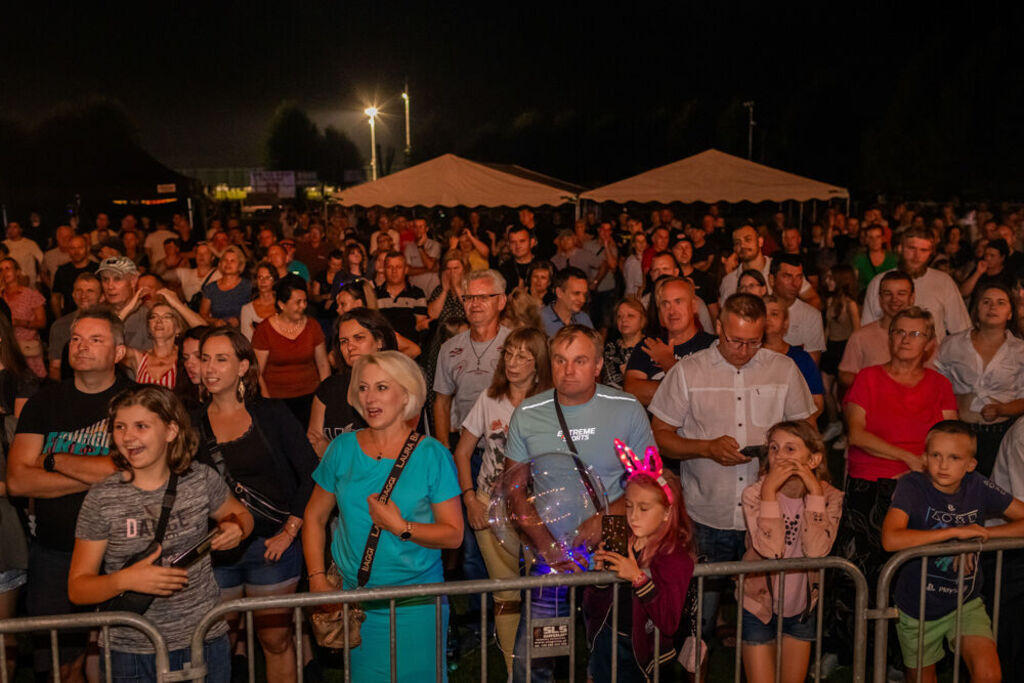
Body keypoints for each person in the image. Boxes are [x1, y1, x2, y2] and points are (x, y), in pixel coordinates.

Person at [648, 293, 815, 639]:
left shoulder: (783, 369)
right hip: (707, 515)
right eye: (735, 340)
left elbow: (807, 432)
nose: (743, 350)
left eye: (753, 342)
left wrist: (780, 455)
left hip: (769, 514)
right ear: (719, 327)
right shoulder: (688, 371)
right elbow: (660, 435)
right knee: (697, 623)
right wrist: (705, 448)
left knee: (764, 618)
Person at [67, 386, 254, 683]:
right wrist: (126, 580)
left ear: (170, 431)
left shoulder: (200, 479)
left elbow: (242, 515)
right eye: (120, 427)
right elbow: (78, 588)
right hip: (130, 648)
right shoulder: (102, 498)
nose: (128, 437)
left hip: (203, 638)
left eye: (141, 426)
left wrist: (237, 529)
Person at [505, 324, 655, 683]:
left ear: (599, 365)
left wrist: (604, 519)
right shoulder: (528, 411)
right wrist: (546, 546)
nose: (568, 370)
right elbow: (513, 490)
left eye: (579, 360)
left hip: (616, 550)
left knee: (613, 653)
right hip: (551, 557)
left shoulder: (626, 408)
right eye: (560, 360)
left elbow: (649, 480)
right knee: (538, 656)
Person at [303, 351, 463, 683]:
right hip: (358, 602)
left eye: (381, 387)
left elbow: (453, 535)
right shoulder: (341, 449)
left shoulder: (433, 454)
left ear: (406, 394)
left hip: (416, 602)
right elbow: (314, 517)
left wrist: (400, 527)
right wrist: (317, 578)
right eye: (363, 388)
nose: (370, 398)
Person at [6, 307, 135, 681]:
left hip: (123, 552)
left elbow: (138, 471)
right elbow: (17, 481)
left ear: (119, 352)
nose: (81, 346)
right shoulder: (43, 403)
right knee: (63, 665)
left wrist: (53, 460)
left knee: (122, 661)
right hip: (56, 551)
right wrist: (105, 474)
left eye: (96, 339)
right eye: (76, 339)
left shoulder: (139, 401)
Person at [194, 328, 318, 683]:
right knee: (217, 641)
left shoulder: (272, 414)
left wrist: (290, 531)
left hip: (272, 548)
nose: (210, 368)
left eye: (221, 359)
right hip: (216, 551)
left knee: (275, 641)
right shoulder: (191, 422)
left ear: (243, 366)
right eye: (205, 359)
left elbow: (311, 472)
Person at [881, 420, 1024, 683]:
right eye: (936, 455)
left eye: (954, 457)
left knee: (989, 674)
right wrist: (955, 534)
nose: (943, 465)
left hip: (965, 602)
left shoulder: (978, 485)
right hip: (917, 608)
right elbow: (890, 539)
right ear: (924, 458)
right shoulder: (913, 485)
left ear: (970, 464)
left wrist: (982, 535)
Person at [453, 327, 551, 673]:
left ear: (538, 364)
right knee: (505, 594)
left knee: (545, 593)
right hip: (490, 509)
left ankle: (540, 667)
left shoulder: (550, 405)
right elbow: (462, 452)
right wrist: (470, 501)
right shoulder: (489, 399)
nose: (513, 362)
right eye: (509, 353)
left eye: (524, 356)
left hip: (539, 509)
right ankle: (514, 671)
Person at [842, 306, 958, 591]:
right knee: (862, 576)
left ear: (929, 344)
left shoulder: (940, 385)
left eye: (916, 334)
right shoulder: (867, 378)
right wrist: (907, 458)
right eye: (900, 332)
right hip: (871, 486)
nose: (906, 339)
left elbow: (950, 439)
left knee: (917, 578)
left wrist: (921, 471)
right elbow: (857, 434)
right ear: (890, 338)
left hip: (924, 486)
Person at [740, 421, 843, 683]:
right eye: (774, 448)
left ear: (813, 458)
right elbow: (771, 551)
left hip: (801, 610)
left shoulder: (831, 497)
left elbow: (818, 551)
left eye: (790, 449)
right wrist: (770, 492)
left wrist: (815, 494)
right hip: (758, 605)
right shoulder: (754, 494)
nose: (780, 456)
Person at [586, 454, 695, 683]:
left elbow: (668, 621)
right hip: (606, 643)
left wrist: (637, 577)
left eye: (644, 508)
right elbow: (591, 609)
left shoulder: (674, 557)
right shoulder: (624, 543)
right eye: (628, 506)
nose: (633, 516)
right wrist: (601, 578)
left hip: (641, 654)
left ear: (667, 512)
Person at [934, 283, 1024, 476]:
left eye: (1001, 303)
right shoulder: (952, 344)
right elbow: (935, 385)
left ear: (1010, 313)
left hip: (1001, 435)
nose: (993, 307)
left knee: (995, 494)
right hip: (958, 431)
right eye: (986, 302)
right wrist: (956, 401)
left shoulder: (1020, 351)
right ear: (976, 310)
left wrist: (1002, 409)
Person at [433, 269, 509, 448]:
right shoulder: (449, 348)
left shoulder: (515, 345)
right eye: (469, 297)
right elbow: (441, 402)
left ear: (501, 301)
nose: (475, 304)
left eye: (483, 297)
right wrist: (444, 450)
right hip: (464, 450)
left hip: (509, 448)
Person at [307, 308, 398, 456]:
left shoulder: (396, 386)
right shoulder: (329, 387)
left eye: (358, 338)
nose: (350, 347)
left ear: (379, 341)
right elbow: (313, 442)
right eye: (344, 341)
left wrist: (332, 450)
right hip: (335, 477)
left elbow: (391, 450)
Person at [861, 226, 971, 342]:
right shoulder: (879, 282)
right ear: (900, 248)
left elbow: (961, 331)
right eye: (911, 248)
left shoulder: (944, 282)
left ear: (931, 253)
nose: (917, 256)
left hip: (933, 358)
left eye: (923, 250)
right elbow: (867, 330)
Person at [251, 274, 330, 425]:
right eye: (297, 302)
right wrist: (267, 401)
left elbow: (323, 364)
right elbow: (257, 371)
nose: (303, 306)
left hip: (310, 398)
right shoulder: (264, 330)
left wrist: (324, 398)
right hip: (277, 400)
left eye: (305, 301)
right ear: (281, 304)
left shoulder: (313, 326)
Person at [624, 277, 715, 406]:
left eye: (678, 301)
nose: (671, 311)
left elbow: (705, 397)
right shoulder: (648, 345)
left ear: (694, 305)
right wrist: (683, 390)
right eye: (665, 304)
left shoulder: (713, 347)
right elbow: (631, 391)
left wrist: (667, 362)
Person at [838, 270, 917, 391]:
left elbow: (933, 377)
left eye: (901, 293)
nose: (894, 299)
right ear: (880, 298)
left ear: (912, 298)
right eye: (887, 294)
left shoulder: (923, 336)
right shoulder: (861, 336)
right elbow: (845, 375)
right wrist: (874, 384)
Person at [762, 296, 825, 422]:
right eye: (763, 314)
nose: (767, 319)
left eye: (774, 314)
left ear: (785, 323)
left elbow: (817, 403)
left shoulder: (801, 358)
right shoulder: (749, 356)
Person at [768, 254, 826, 365]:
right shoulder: (759, 311)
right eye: (787, 276)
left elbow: (811, 365)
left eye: (799, 277)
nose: (795, 284)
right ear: (771, 279)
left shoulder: (811, 316)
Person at [0, 257, 47, 377]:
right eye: (1, 270)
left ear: (17, 271)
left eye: (8, 269)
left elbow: (42, 322)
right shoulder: (1, 296)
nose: (4, 273)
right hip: (6, 350)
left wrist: (20, 322)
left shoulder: (30, 294)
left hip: (28, 349)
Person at [375, 251, 429, 342]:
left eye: (398, 267)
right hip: (383, 350)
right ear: (384, 269)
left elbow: (420, 325)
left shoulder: (417, 293)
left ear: (406, 270)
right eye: (389, 267)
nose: (394, 271)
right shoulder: (374, 294)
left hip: (410, 349)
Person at [601, 297, 645, 390]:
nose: (624, 320)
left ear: (642, 320)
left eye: (630, 315)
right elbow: (611, 385)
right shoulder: (611, 349)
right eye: (619, 316)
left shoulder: (653, 346)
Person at [200, 246, 251, 327]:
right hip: (218, 332)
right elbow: (202, 316)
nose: (228, 263)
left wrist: (239, 319)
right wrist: (215, 321)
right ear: (220, 263)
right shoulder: (210, 288)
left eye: (232, 261)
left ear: (240, 265)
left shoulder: (248, 286)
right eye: (225, 260)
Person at [50, 234, 97, 317]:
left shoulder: (97, 269)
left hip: (95, 317)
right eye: (72, 248)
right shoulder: (62, 270)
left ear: (88, 248)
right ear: (68, 250)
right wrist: (59, 319)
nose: (76, 252)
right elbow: (55, 297)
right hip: (70, 317)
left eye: (80, 248)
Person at [540, 266, 594, 336]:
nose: (582, 299)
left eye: (584, 294)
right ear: (559, 292)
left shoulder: (583, 319)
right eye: (576, 293)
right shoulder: (540, 320)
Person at [851, 224, 897, 292]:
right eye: (871, 237)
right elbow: (853, 284)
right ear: (866, 240)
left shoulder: (893, 259)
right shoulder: (859, 259)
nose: (874, 241)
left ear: (883, 239)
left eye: (878, 237)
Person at [239, 263, 279, 341]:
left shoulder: (283, 306)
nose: (263, 281)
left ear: (274, 280)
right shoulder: (247, 309)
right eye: (260, 277)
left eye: (268, 278)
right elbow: (247, 340)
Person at [498, 225, 537, 293]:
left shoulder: (544, 265)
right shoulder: (504, 268)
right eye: (513, 242)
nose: (518, 246)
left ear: (532, 242)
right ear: (508, 245)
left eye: (522, 241)